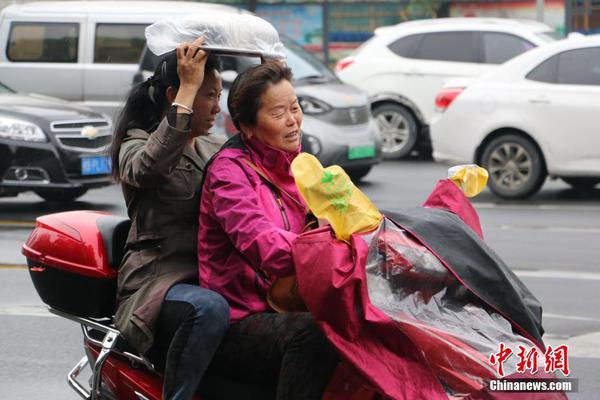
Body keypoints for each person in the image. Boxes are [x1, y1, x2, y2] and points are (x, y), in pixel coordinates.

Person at [198, 61, 338, 399]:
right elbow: (262, 242)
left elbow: (351, 215)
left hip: (291, 302)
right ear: (247, 127)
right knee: (316, 334)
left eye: (295, 107)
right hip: (240, 318)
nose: (293, 121)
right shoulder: (229, 174)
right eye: (279, 114)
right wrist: (327, 251)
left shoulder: (301, 166)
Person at [110, 37, 229, 400]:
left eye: (217, 95)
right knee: (210, 308)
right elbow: (147, 168)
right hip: (161, 281)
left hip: (220, 275)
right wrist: (188, 91)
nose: (215, 107)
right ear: (174, 95)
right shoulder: (137, 143)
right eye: (207, 95)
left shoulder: (215, 147)